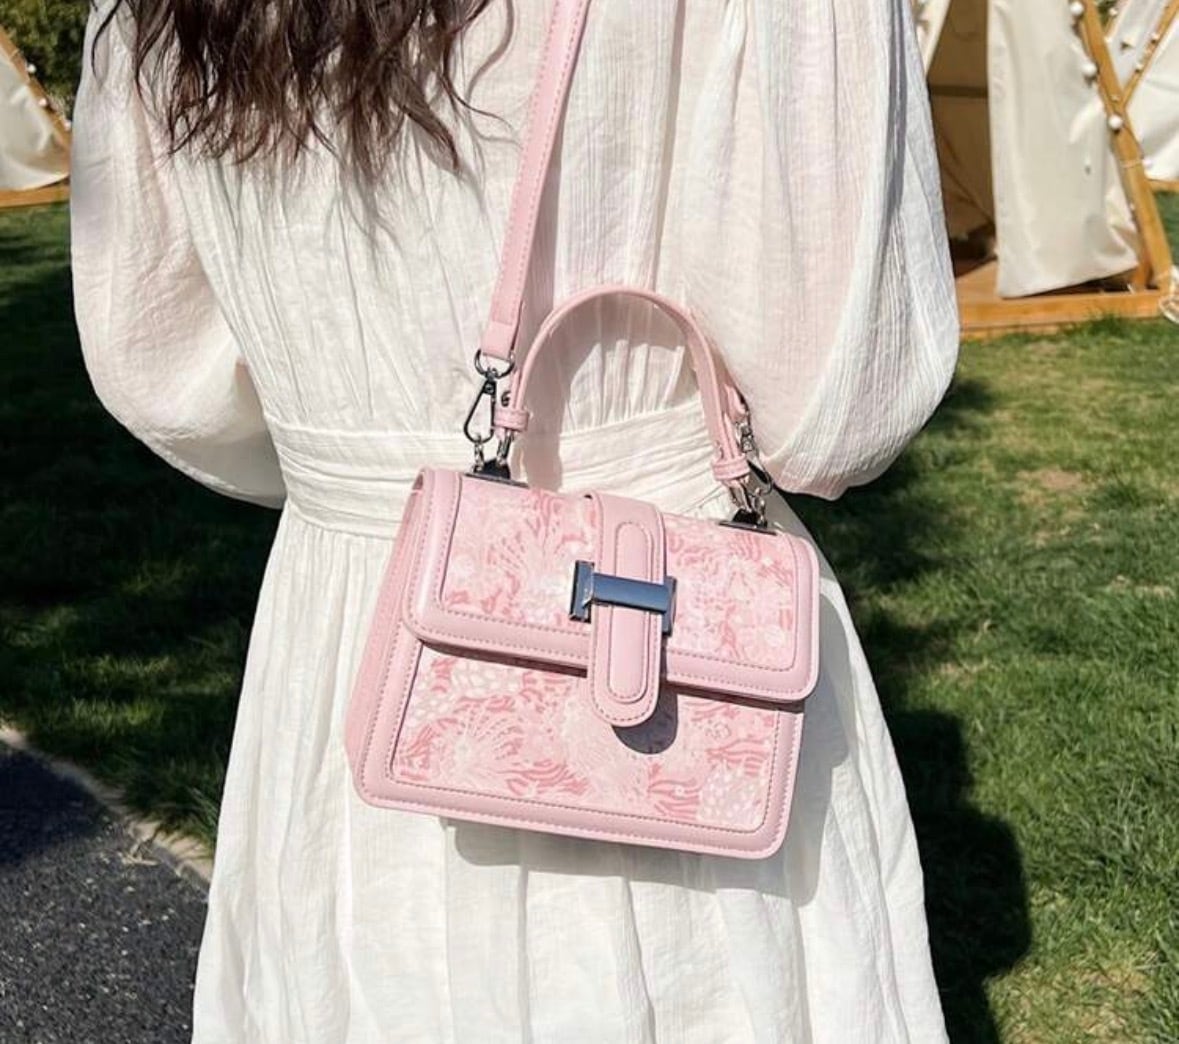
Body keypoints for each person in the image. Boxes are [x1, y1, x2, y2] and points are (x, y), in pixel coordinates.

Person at [70, 0, 959, 1039]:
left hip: (355, 617)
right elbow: (838, 410)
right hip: (674, 620)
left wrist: (366, 477)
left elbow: (162, 371)